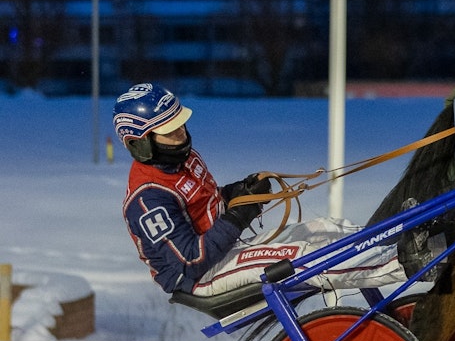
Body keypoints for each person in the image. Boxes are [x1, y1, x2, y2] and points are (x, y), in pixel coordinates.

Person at [114, 82, 408, 297]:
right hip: (200, 276)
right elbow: (190, 260)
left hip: (228, 249)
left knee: (325, 229)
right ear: (140, 143)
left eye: (180, 125)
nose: (181, 135)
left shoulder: (181, 159)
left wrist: (241, 191)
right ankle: (404, 262)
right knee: (300, 257)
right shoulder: (148, 198)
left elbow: (203, 203)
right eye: (170, 132)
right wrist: (239, 216)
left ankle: (399, 239)